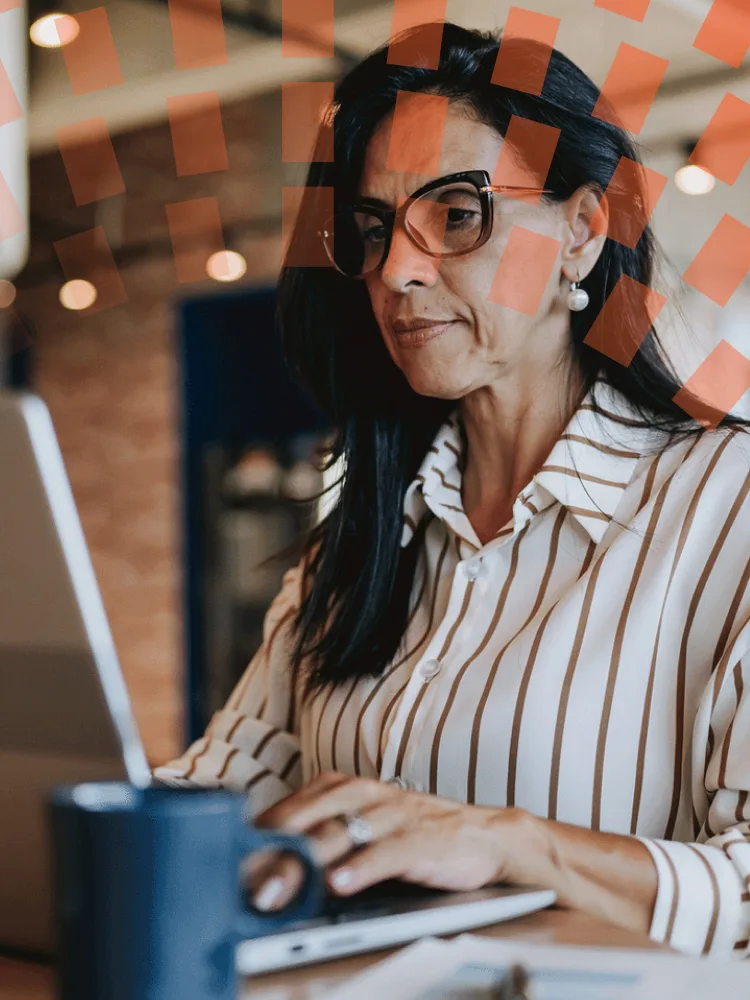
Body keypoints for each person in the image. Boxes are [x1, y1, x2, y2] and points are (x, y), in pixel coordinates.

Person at [154, 23, 750, 958]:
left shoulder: (727, 509)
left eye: (459, 212)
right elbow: (214, 791)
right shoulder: (354, 540)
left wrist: (510, 842)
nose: (397, 269)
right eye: (374, 227)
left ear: (582, 233)